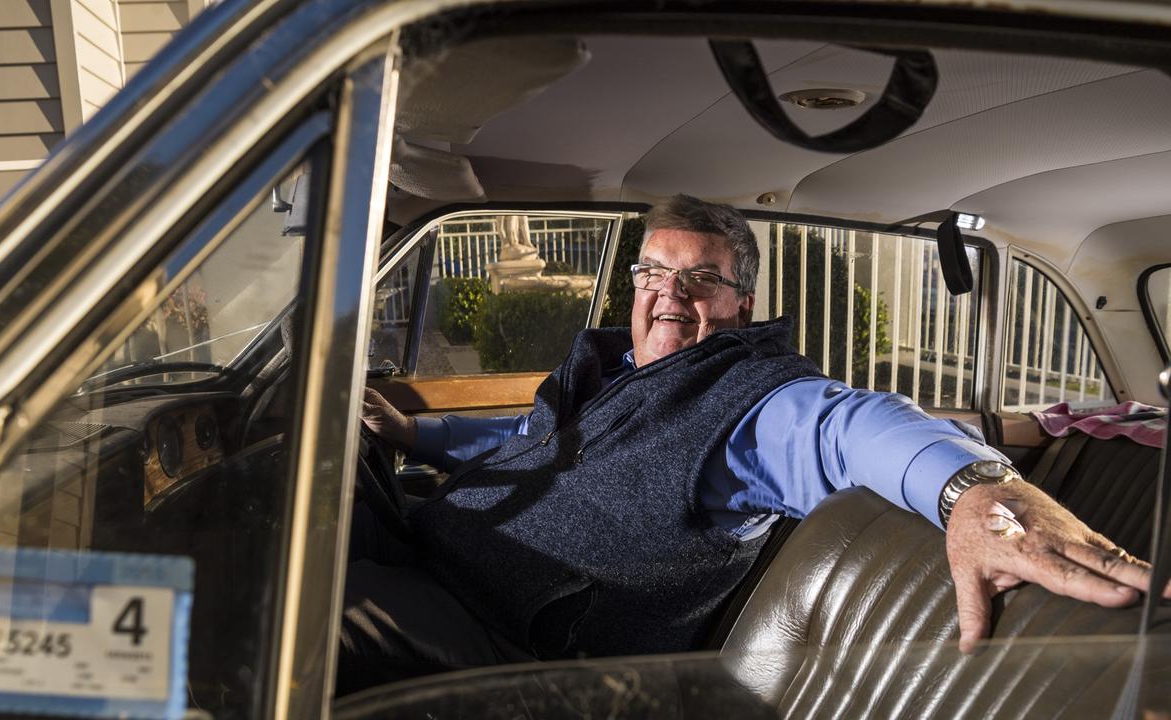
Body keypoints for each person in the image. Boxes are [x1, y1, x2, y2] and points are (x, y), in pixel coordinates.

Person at [346, 194, 1161, 694]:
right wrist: (417, 432)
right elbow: (532, 443)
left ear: (741, 302)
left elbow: (850, 426)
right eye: (653, 275)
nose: (670, 297)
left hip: (517, 648)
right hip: (439, 556)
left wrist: (977, 491)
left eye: (699, 280)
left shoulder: (752, 398)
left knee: (289, 620)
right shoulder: (612, 367)